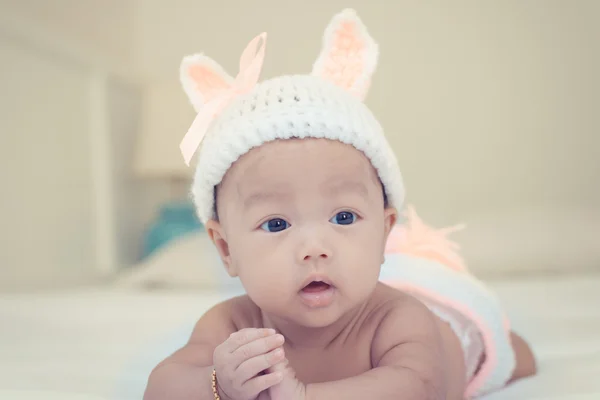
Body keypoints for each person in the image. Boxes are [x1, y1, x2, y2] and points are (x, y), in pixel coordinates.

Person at [143, 8, 536, 400]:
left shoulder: (397, 319)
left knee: (513, 356)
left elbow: (419, 388)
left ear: (384, 232)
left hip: (453, 332)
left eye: (344, 217)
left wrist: (302, 396)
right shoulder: (230, 324)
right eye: (276, 224)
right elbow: (159, 389)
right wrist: (217, 384)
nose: (316, 248)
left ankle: (509, 342)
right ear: (226, 249)